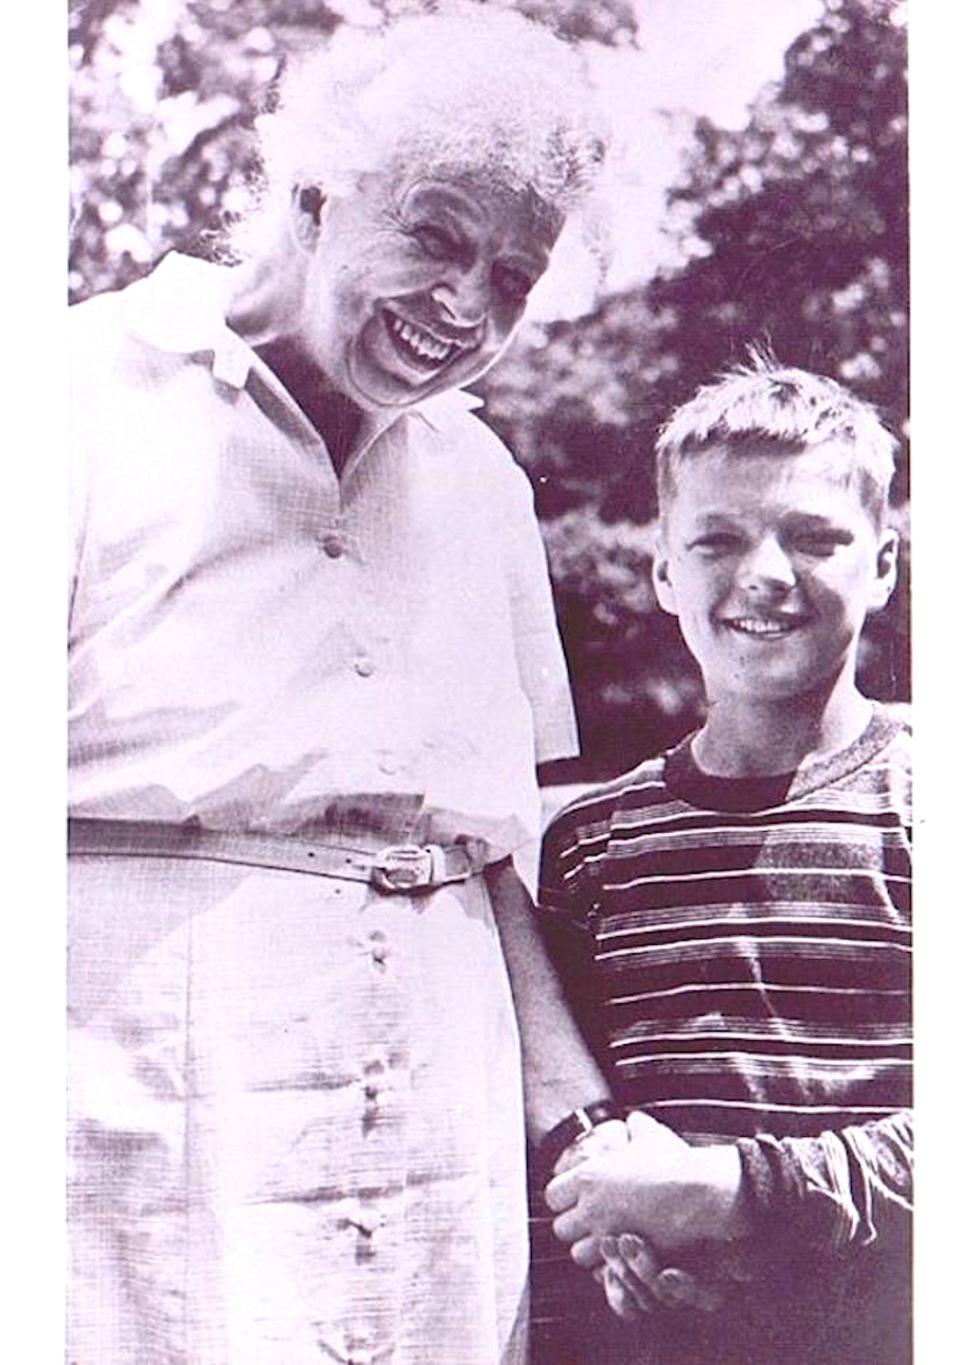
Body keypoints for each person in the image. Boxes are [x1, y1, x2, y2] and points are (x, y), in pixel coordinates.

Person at [67, 10, 629, 1362]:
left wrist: (577, 1119)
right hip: (137, 1120)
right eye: (435, 234)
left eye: (515, 275)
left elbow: (496, 854)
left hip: (437, 1137)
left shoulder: (486, 487)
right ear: (315, 189)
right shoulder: (68, 400)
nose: (466, 308)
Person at [536, 355, 912, 1364]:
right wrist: (613, 1234)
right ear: (663, 571)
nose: (765, 576)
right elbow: (571, 1139)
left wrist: (734, 1195)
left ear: (884, 564)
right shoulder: (591, 847)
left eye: (816, 538)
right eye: (718, 540)